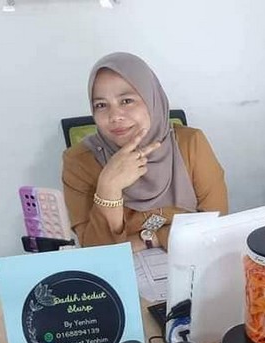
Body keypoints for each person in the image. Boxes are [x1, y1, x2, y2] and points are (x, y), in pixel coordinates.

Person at [62, 52, 228, 251]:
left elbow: (215, 227)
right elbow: (96, 253)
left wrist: (152, 238)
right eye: (101, 105)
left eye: (126, 101)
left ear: (152, 99)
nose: (114, 116)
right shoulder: (79, 162)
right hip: (125, 267)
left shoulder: (191, 144)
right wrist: (108, 188)